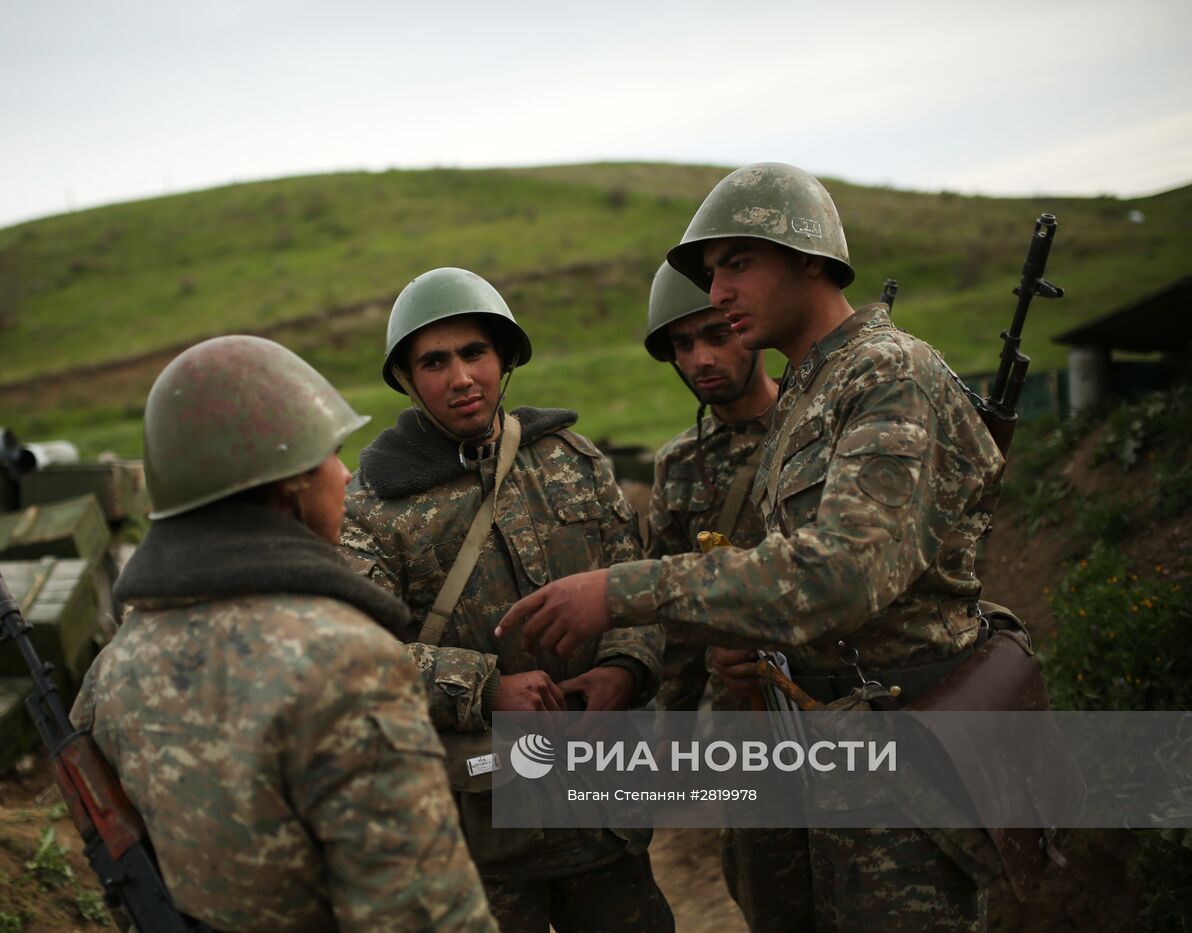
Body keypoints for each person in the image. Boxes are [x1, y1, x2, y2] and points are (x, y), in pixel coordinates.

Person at [498, 163, 1007, 930]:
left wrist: (620, 591)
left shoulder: (888, 373)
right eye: (712, 274)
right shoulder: (813, 390)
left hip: (910, 765)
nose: (719, 292)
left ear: (809, 258)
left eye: (737, 264)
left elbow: (840, 573)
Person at [70, 335, 496, 932]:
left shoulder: (112, 668)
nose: (345, 475)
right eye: (331, 454)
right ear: (288, 481)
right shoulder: (347, 663)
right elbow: (425, 915)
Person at [341, 267, 672, 933]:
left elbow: (637, 582)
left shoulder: (572, 459)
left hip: (602, 811)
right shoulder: (372, 508)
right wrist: (487, 689)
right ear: (408, 378)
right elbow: (359, 661)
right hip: (482, 833)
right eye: (434, 361)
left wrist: (625, 668)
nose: (461, 377)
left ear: (504, 360)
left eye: (474, 353)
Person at [644, 260, 815, 932]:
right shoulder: (678, 466)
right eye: (683, 346)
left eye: (715, 335)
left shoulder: (818, 430)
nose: (701, 359)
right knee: (769, 898)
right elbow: (672, 622)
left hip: (842, 709)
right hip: (744, 726)